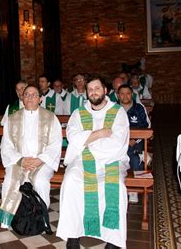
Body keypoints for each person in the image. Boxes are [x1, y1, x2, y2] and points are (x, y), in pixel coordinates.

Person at [57, 77, 130, 249]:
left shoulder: (118, 112)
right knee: (70, 182)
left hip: (111, 160)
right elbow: (73, 138)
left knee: (117, 186)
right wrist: (99, 133)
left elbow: (117, 143)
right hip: (82, 160)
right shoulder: (79, 113)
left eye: (97, 88)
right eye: (90, 89)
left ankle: (113, 239)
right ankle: (72, 235)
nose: (93, 92)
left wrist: (87, 140)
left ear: (105, 91)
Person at [0, 85, 62, 228]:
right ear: (22, 98)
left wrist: (39, 160)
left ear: (40, 99)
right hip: (18, 161)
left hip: (42, 162)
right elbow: (6, 145)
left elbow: (55, 144)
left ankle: (42, 218)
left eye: (34, 95)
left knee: (40, 181)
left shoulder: (50, 118)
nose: (30, 97)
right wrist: (21, 160)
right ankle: (8, 219)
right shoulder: (12, 118)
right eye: (27, 94)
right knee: (9, 180)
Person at [117, 84, 150, 204]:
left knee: (136, 159)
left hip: (136, 142)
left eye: (128, 93)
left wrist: (134, 140)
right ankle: (119, 187)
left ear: (132, 95)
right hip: (118, 142)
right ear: (118, 95)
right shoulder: (113, 108)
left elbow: (146, 126)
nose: (125, 96)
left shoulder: (139, 108)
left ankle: (135, 190)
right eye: (122, 93)